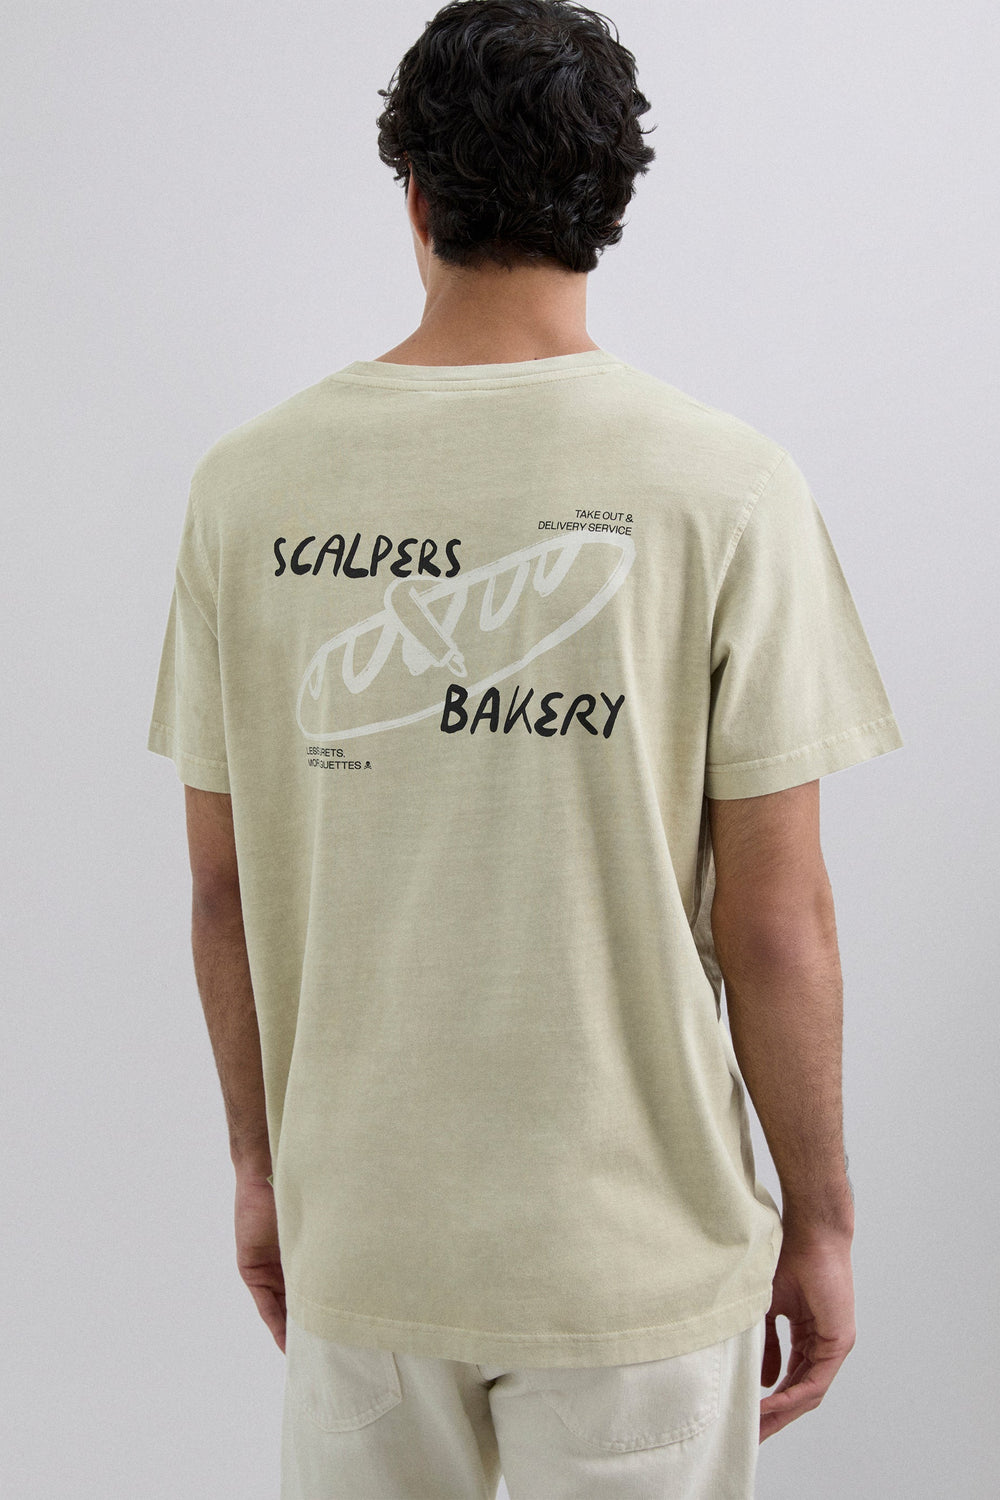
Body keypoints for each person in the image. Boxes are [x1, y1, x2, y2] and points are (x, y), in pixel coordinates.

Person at [146, 2, 904, 1495]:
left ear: (415, 196)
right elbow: (777, 922)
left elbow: (225, 893)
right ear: (608, 204)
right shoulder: (726, 489)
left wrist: (259, 1168)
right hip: (637, 1255)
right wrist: (820, 1220)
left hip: (365, 1237)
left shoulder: (249, 489)